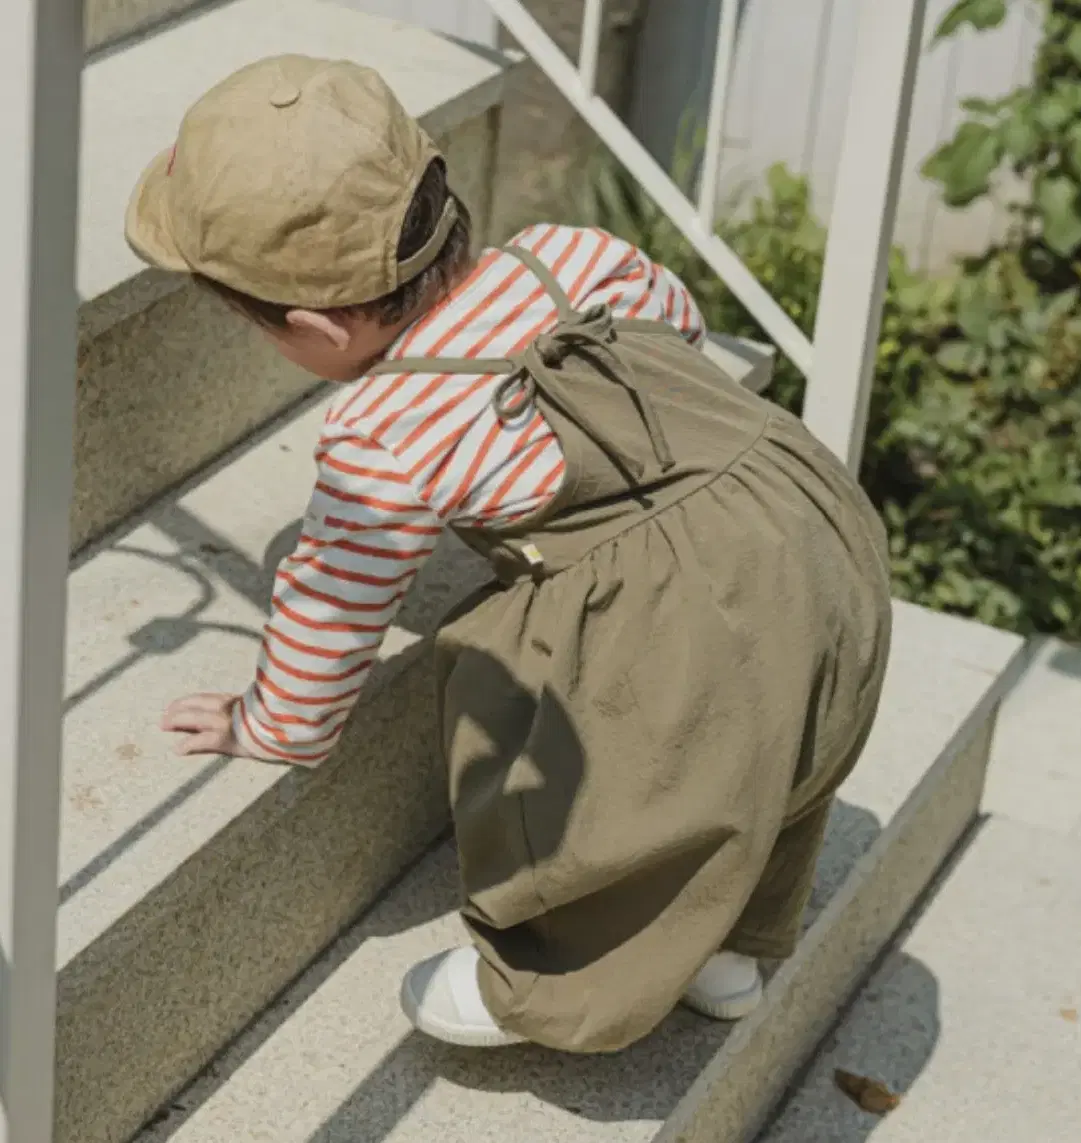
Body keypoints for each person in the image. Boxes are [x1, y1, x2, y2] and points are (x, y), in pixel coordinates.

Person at [127, 53, 893, 1054]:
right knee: (775, 737)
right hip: (810, 516)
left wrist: (275, 724)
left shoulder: (382, 433)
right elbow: (680, 332)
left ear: (316, 328)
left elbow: (330, 608)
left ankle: (548, 986)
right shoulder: (570, 251)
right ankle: (729, 951)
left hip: (695, 609)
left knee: (638, 767)